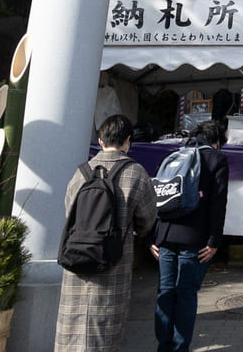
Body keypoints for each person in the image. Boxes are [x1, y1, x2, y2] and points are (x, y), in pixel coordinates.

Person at [54, 113, 157, 352]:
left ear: (100, 141)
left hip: (77, 259)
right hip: (113, 263)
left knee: (72, 329)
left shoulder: (80, 173)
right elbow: (147, 220)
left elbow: (69, 211)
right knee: (104, 330)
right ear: (128, 141)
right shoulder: (135, 173)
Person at [150, 119, 229, 352]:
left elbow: (158, 196)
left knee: (165, 292)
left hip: (165, 234)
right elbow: (218, 203)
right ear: (217, 141)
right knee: (185, 294)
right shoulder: (217, 159)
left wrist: (152, 236)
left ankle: (163, 346)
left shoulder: (174, 156)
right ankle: (179, 348)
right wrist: (215, 240)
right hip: (195, 238)